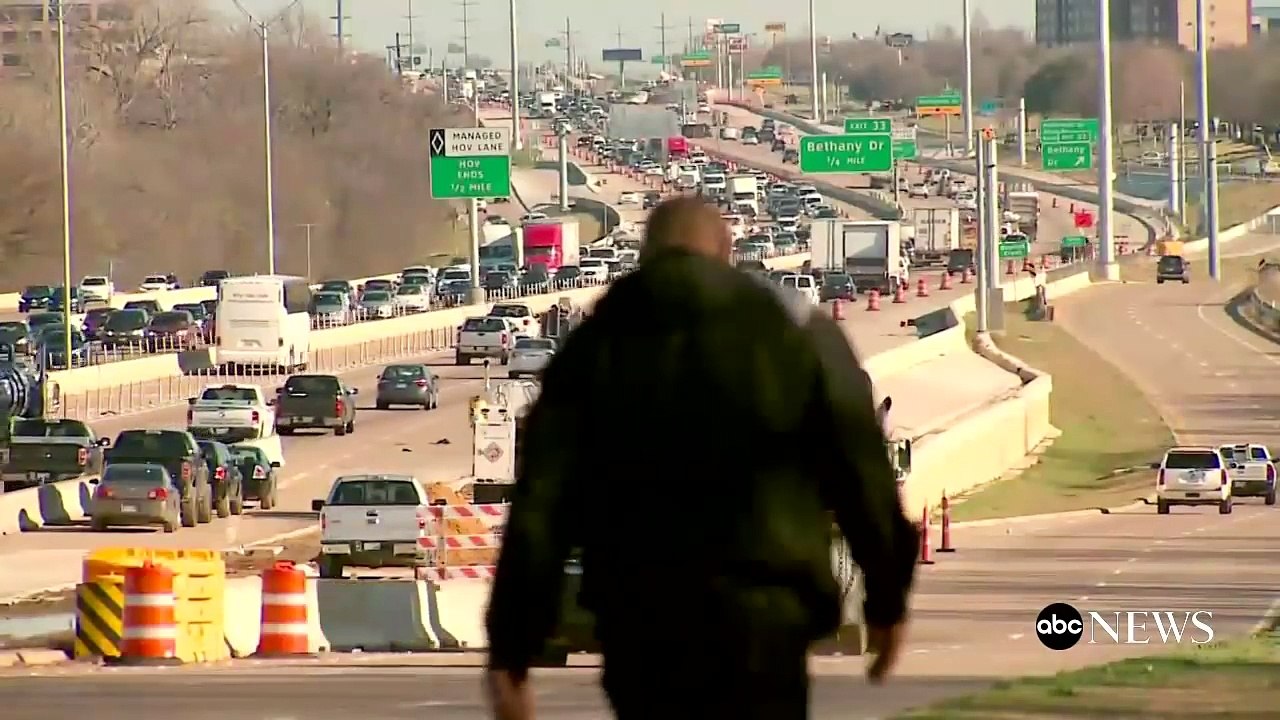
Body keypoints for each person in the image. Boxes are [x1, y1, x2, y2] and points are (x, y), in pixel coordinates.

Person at [484, 197, 920, 720]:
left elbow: (541, 511)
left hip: (643, 621)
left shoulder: (593, 344)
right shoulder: (797, 333)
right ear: (727, 252)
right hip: (765, 619)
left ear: (646, 255)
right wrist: (888, 600)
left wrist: (513, 649)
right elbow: (861, 470)